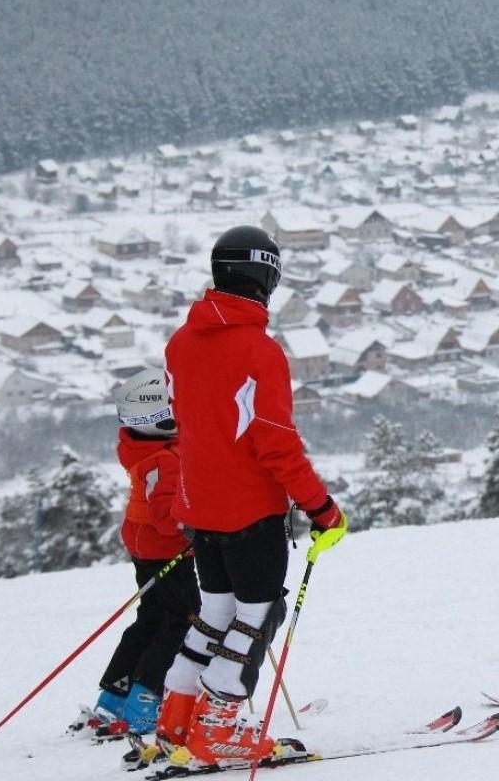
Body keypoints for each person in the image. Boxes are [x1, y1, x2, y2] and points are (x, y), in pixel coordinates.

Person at [153, 226, 348, 768]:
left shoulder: (180, 343)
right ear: (267, 276)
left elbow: (186, 425)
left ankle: (178, 717)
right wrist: (322, 509)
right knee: (257, 615)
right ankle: (219, 727)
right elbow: (277, 446)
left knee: (215, 611)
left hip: (199, 510)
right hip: (249, 512)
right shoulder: (260, 351)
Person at [68, 369, 199, 739]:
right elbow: (166, 516)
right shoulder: (166, 459)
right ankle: (145, 704)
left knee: (151, 618)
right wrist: (198, 529)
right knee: (181, 620)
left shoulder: (141, 447)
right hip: (165, 547)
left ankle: (113, 698)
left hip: (142, 544)